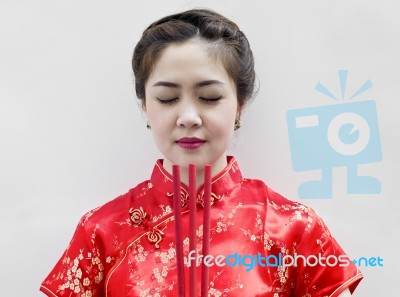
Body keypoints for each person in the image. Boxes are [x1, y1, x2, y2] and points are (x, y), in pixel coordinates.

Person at [40, 8, 363, 297]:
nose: (189, 117)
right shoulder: (101, 231)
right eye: (167, 99)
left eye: (209, 97)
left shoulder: (294, 227)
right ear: (145, 106)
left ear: (240, 105)